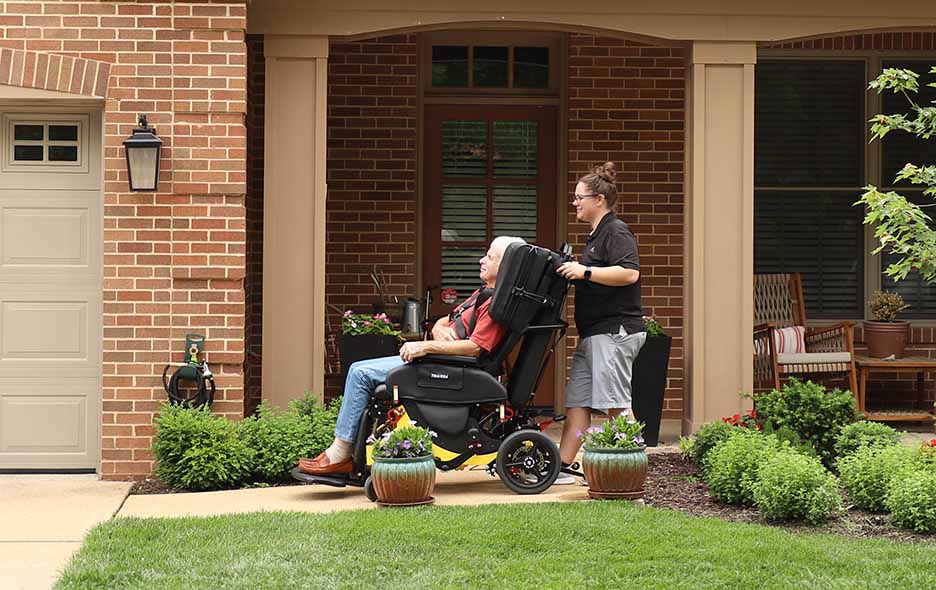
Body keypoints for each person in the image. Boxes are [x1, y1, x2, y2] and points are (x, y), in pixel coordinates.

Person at [299, 235, 526, 475]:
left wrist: (425, 347)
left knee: (362, 374)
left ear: (505, 266)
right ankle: (344, 453)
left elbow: (475, 347)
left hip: (450, 368)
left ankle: (340, 454)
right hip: (440, 361)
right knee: (357, 368)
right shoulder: (483, 293)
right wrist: (438, 329)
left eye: (489, 257)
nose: (481, 260)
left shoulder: (496, 306)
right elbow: (446, 320)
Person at [554, 162, 645, 484]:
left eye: (580, 197)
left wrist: (585, 271)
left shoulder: (615, 231)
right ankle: (562, 467)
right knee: (578, 401)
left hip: (615, 331)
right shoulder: (596, 236)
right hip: (594, 333)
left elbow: (629, 273)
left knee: (615, 403)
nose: (575, 203)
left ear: (599, 200)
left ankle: (629, 470)